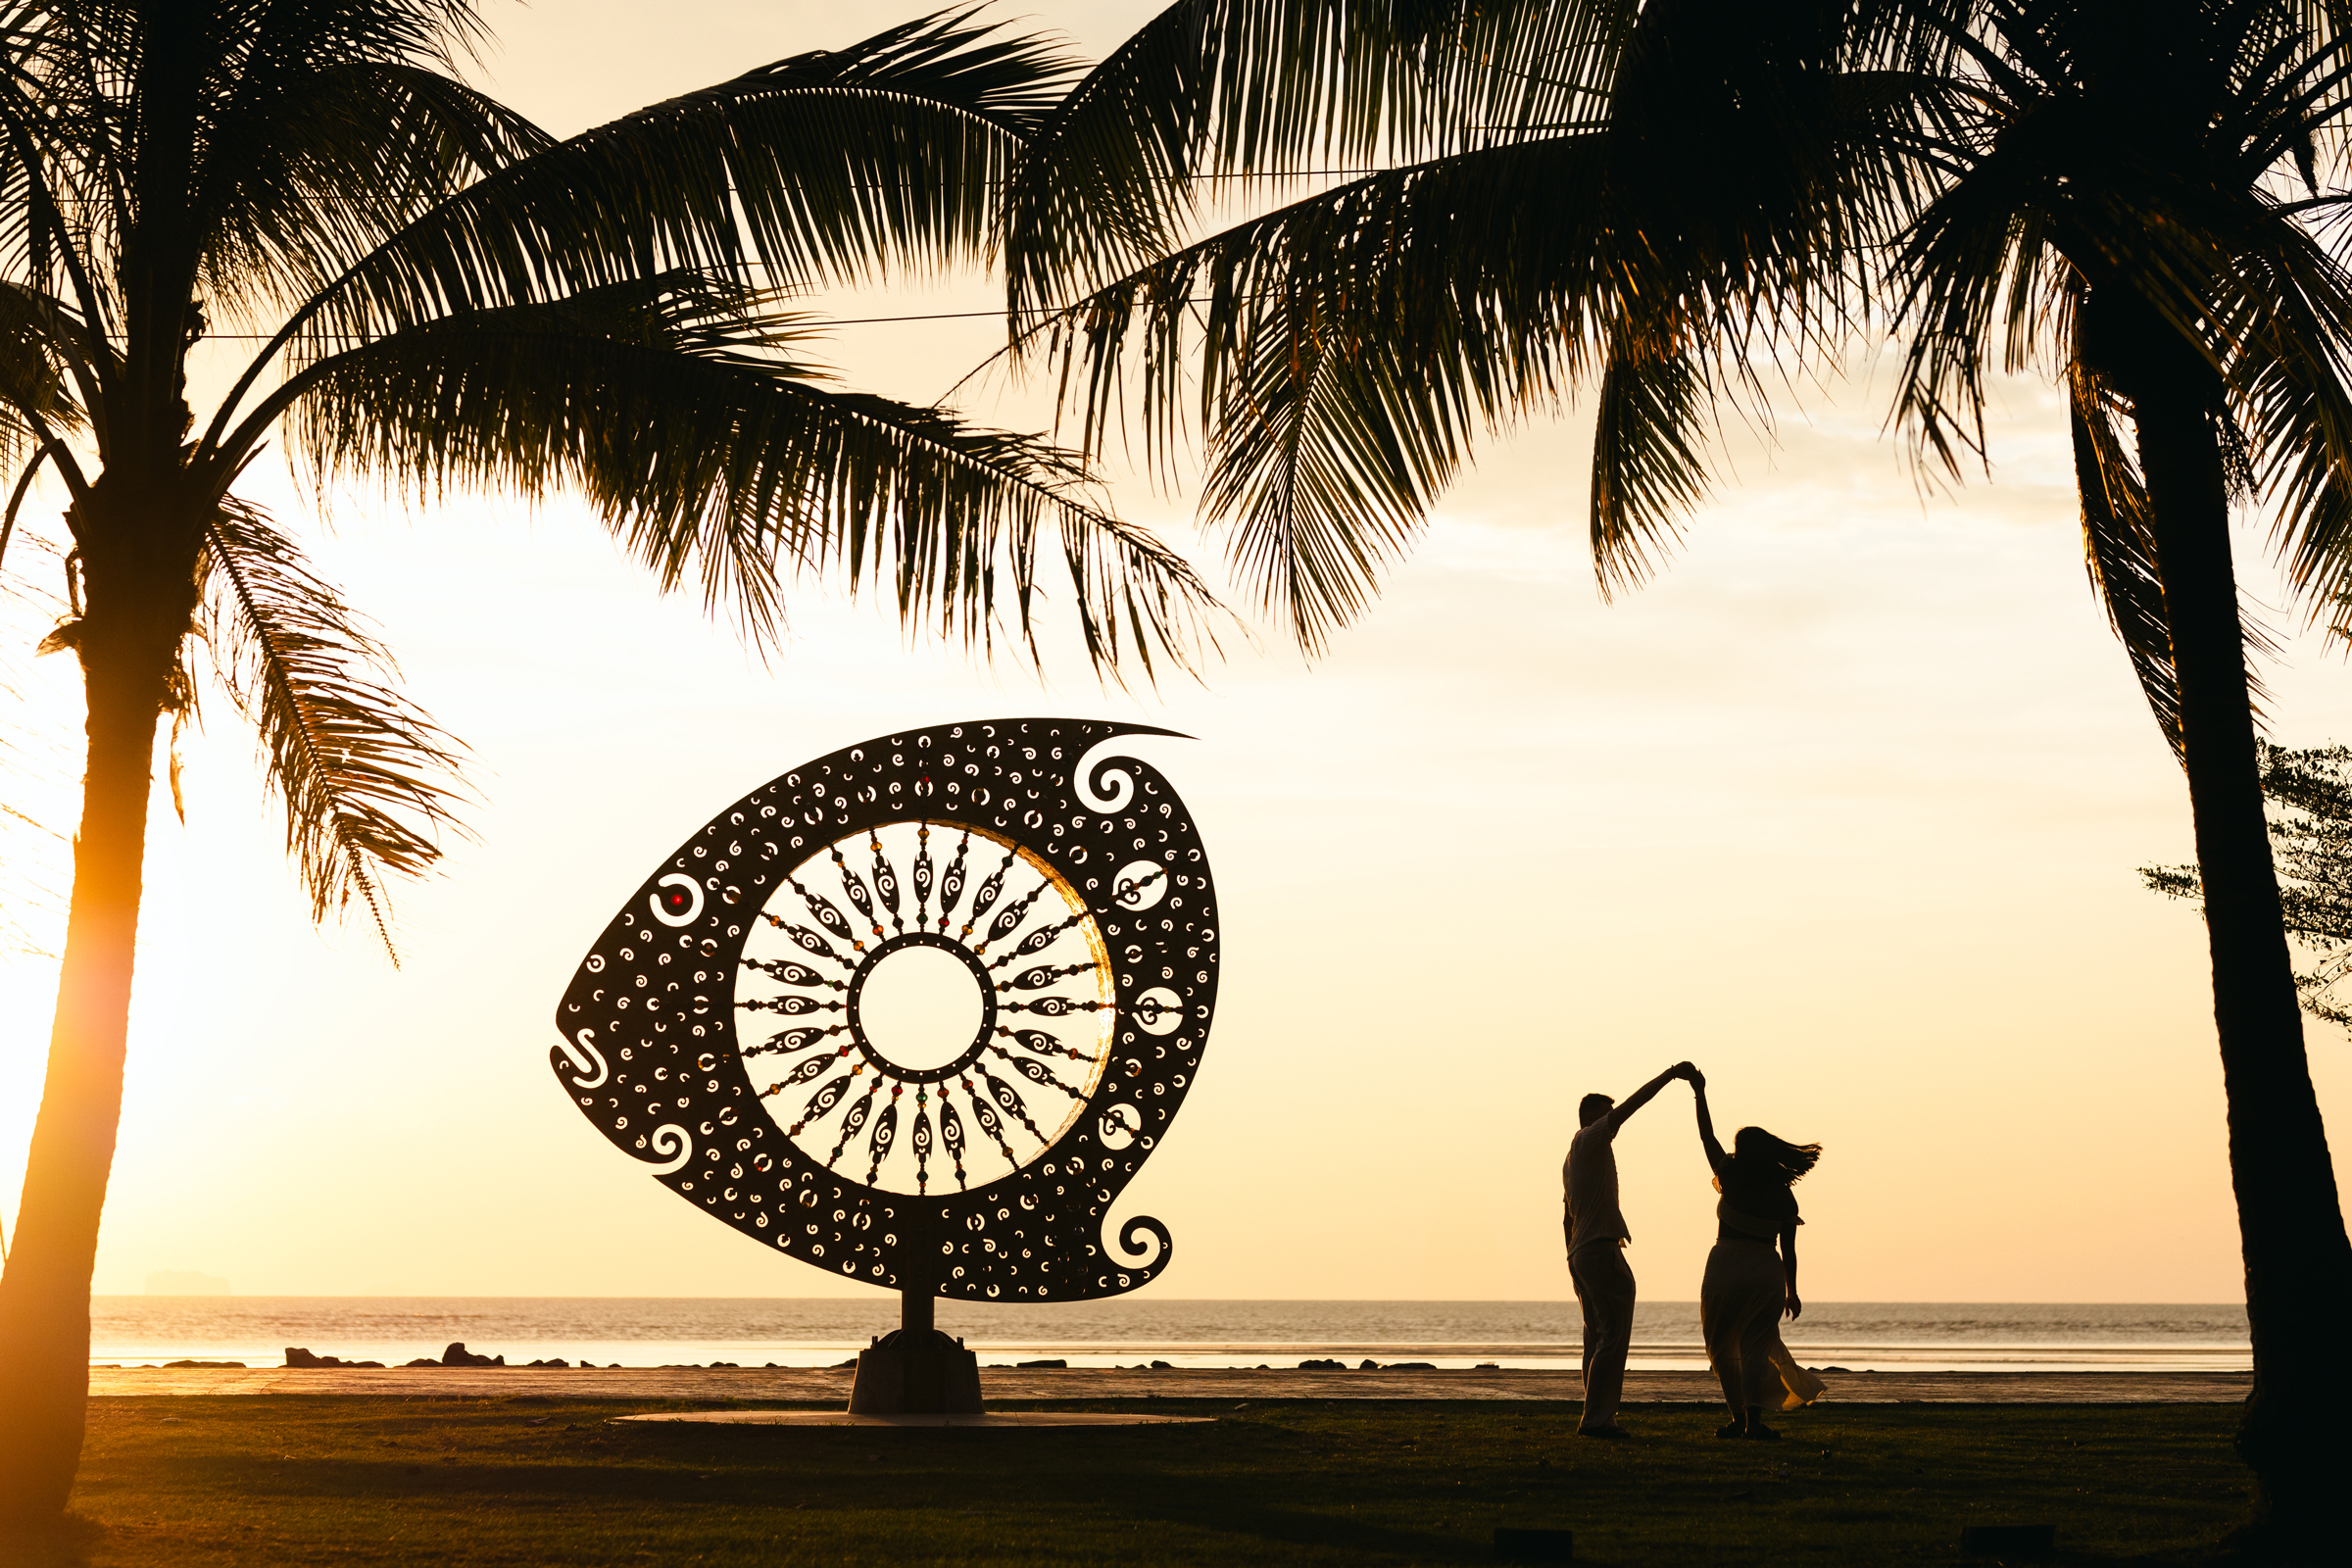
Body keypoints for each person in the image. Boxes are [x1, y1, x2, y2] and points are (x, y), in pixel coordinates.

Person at [1563, 1061, 1698, 1439]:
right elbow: (1633, 1106)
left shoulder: (1570, 1160)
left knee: (1596, 1334)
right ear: (1591, 1116)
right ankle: (1597, 1420)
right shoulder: (1590, 1139)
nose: (1613, 1122)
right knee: (1613, 1333)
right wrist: (1671, 1075)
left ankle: (1594, 1414)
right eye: (1606, 1114)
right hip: (1596, 1250)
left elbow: (1566, 1216)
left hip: (1581, 1253)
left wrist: (1572, 1261)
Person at [1689, 1068, 1824, 1440]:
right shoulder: (1782, 1193)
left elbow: (1705, 1135)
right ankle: (1753, 1424)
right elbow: (1790, 1251)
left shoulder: (1730, 1174)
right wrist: (1791, 1290)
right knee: (1754, 1347)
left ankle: (1738, 1419)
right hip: (1766, 1269)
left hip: (1726, 1266)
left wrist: (1700, 1093)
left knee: (1720, 1346)